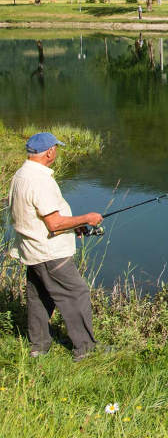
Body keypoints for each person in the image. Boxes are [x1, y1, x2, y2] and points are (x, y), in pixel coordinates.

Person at [8, 133, 104, 361]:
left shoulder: (20, 175)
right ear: (50, 152)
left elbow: (40, 217)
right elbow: (54, 223)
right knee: (76, 292)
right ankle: (85, 349)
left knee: (39, 296)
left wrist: (74, 227)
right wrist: (86, 218)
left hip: (31, 249)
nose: (56, 153)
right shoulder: (40, 180)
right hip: (49, 252)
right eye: (56, 149)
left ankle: (39, 346)